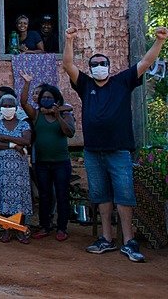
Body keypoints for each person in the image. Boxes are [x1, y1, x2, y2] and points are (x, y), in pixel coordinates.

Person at [63, 25, 167, 262]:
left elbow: (145, 63)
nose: (99, 67)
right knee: (101, 196)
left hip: (119, 151)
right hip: (92, 152)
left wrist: (159, 41)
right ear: (90, 69)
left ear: (109, 67)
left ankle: (129, 241)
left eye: (103, 63)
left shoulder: (122, 81)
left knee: (124, 196)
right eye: (95, 64)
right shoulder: (86, 84)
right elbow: (68, 65)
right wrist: (69, 40)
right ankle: (106, 239)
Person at [19, 74, 75, 242]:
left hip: (61, 163)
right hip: (42, 163)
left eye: (50, 97)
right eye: (44, 97)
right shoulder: (36, 115)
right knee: (44, 195)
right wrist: (27, 83)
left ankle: (62, 227)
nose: (46, 100)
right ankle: (45, 225)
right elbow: (23, 102)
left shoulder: (66, 115)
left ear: (57, 99)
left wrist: (58, 115)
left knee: (62, 195)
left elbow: (70, 132)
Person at [0, 94, 33, 243]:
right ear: (0, 107)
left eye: (10, 106)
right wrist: (13, 145)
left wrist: (5, 137)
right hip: (2, 168)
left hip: (19, 169)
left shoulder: (23, 124)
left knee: (19, 198)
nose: (8, 109)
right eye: (5, 106)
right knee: (5, 198)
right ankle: (7, 229)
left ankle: (19, 229)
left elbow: (26, 140)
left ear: (16, 108)